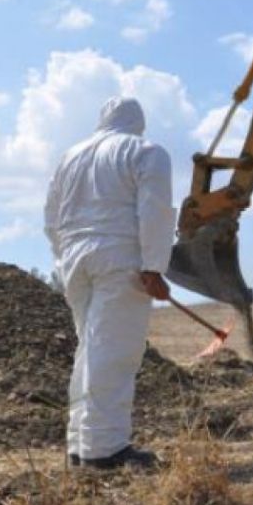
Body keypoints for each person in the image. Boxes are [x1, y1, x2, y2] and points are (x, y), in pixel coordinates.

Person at [44, 97, 175, 470]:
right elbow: (155, 210)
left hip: (73, 260)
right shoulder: (146, 151)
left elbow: (51, 217)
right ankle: (105, 449)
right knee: (114, 352)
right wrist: (153, 266)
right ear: (139, 123)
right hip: (119, 258)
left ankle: (79, 444)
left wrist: (64, 257)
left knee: (90, 350)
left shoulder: (70, 156)